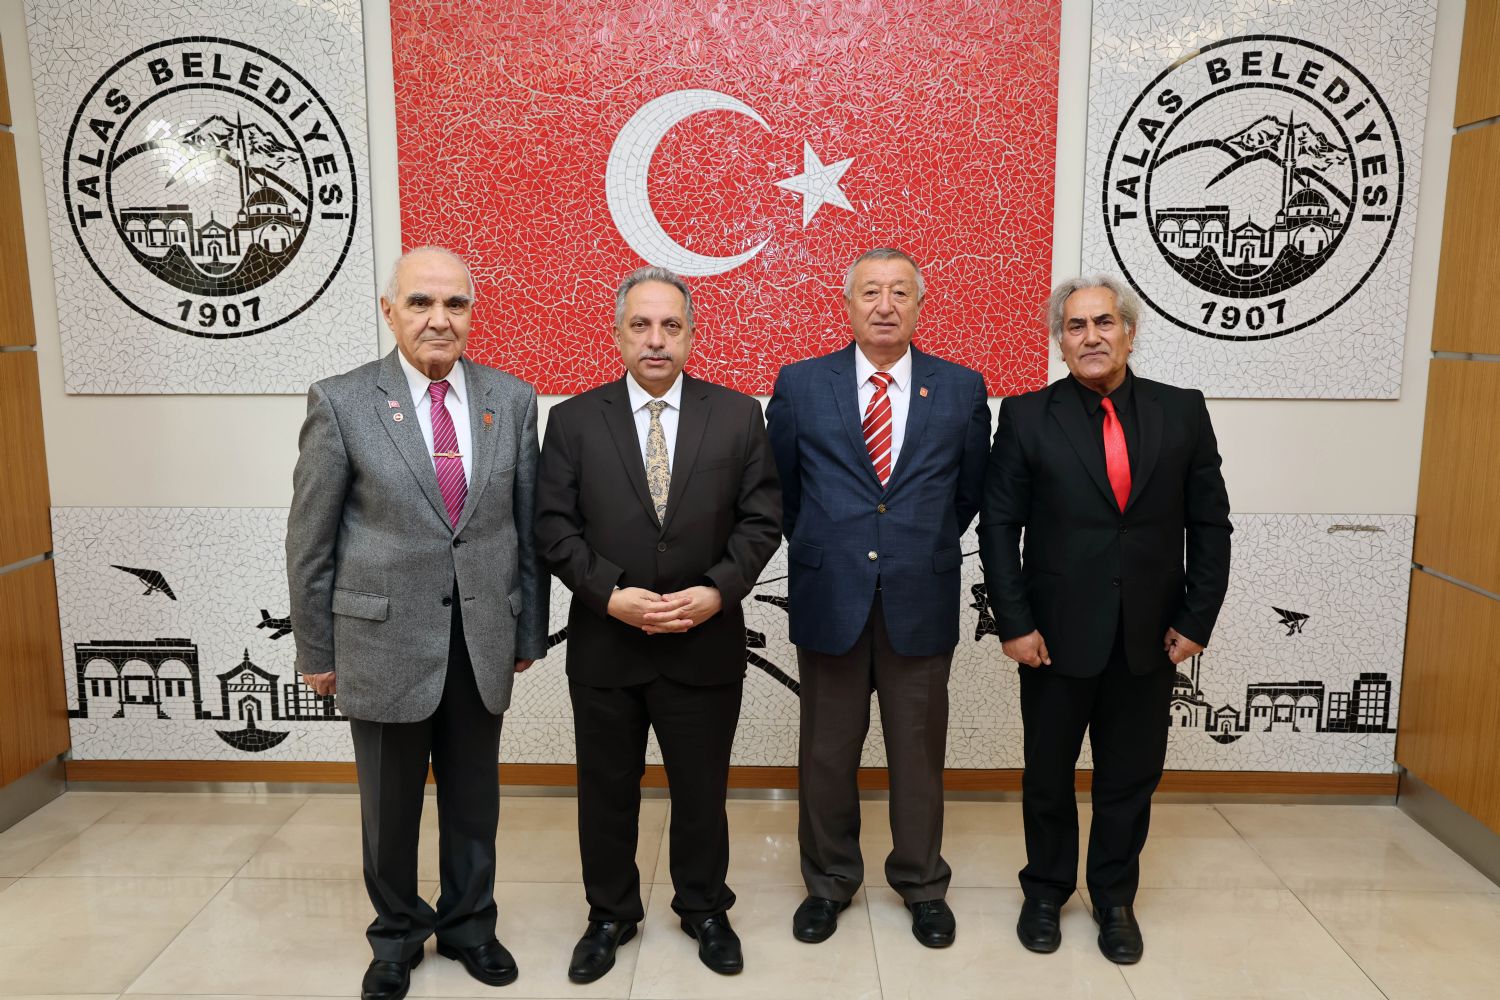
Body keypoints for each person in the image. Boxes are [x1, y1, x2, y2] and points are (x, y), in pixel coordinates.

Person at [286, 246, 549, 1000]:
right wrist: (316, 649)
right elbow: (310, 540)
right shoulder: (341, 401)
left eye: (455, 304)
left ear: (472, 312)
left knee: (474, 799)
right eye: (421, 302)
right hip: (380, 640)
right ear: (389, 311)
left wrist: (528, 631)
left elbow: (526, 529)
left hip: (481, 637)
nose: (439, 319)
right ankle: (396, 936)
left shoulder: (512, 399)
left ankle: (470, 926)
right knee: (390, 807)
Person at [535, 266, 781, 982]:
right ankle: (609, 913)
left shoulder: (737, 415)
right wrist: (609, 594)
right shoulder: (574, 420)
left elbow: (762, 519)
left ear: (691, 335)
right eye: (640, 325)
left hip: (705, 642)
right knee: (605, 791)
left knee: (701, 791)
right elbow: (553, 526)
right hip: (607, 643)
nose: (655, 339)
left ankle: (704, 907)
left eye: (671, 326)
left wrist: (717, 592)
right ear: (617, 335)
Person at [978, 275, 1231, 964]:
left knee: (1130, 778)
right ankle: (1045, 892)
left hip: (1151, 636)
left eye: (1104, 322)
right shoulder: (1026, 416)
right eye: (1075, 326)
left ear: (1129, 332)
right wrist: (1014, 623)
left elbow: (1210, 524)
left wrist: (1197, 617)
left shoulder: (1182, 411)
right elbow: (999, 527)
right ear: (1059, 342)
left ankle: (1115, 898)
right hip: (1053, 637)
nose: (1091, 336)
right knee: (1047, 776)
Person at [766, 248, 991, 948]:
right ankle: (829, 882)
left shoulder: (961, 388)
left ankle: (921, 883)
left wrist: (909, 548)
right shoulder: (802, 384)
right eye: (870, 292)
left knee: (917, 755)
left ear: (920, 305)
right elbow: (783, 490)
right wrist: (833, 546)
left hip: (919, 598)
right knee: (826, 754)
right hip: (829, 594)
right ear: (847, 305)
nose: (885, 305)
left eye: (899, 292)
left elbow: (967, 494)